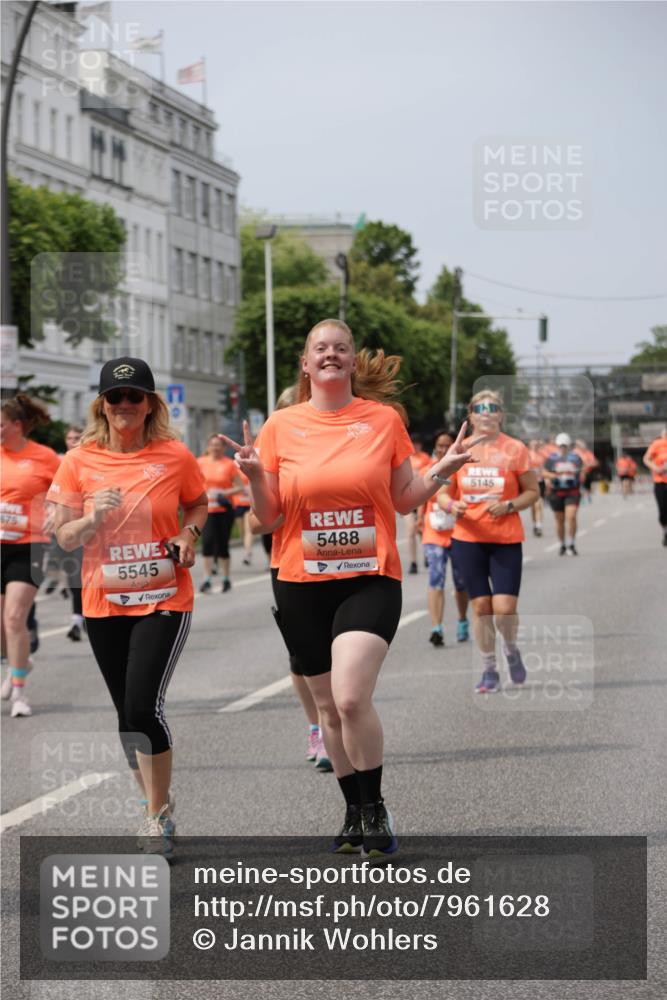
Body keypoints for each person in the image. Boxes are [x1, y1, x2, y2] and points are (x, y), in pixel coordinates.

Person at [221, 319, 474, 859]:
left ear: (353, 362)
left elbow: (405, 498)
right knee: (327, 712)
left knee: (351, 696)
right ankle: (352, 808)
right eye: (321, 348)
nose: (331, 354)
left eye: (341, 348)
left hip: (368, 576)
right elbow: (267, 519)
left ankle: (375, 804)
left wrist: (442, 473)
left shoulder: (382, 420)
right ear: (306, 364)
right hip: (300, 581)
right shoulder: (279, 427)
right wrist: (254, 477)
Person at [48, 357, 207, 857]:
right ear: (102, 405)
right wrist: (94, 514)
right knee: (125, 713)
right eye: (114, 398)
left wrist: (189, 533)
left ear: (150, 403)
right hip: (103, 599)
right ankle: (153, 801)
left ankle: (155, 817)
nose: (124, 406)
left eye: (133, 397)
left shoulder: (175, 455)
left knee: (143, 705)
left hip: (164, 594)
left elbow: (198, 503)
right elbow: (63, 537)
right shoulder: (78, 461)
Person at [249, 384, 332, 771]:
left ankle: (340, 721)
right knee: (301, 658)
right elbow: (254, 521)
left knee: (344, 652)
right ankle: (317, 728)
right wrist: (282, 513)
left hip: (345, 563)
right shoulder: (274, 452)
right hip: (292, 566)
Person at [448, 390, 539, 694]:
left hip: (505, 538)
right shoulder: (459, 449)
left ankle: (511, 649)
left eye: (493, 408)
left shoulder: (515, 449)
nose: (486, 413)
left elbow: (532, 491)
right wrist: (451, 505)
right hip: (468, 538)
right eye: (480, 408)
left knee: (504, 608)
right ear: (470, 415)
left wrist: (510, 505)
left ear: (501, 414)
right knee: (482, 608)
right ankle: (489, 669)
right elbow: (440, 489)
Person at [1, 394, 60, 716]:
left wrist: (56, 510)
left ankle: (19, 695)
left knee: (14, 618)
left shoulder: (45, 457)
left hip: (30, 545)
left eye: (0, 425)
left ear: (17, 425)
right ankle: (17, 662)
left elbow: (68, 490)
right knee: (2, 625)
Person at [417, 428, 469, 646]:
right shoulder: (428, 469)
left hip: (459, 533)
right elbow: (421, 495)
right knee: (435, 580)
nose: (443, 449)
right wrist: (420, 519)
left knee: (460, 583)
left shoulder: (461, 469)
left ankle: (462, 619)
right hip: (434, 534)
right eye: (439, 445)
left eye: (447, 445)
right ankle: (436, 627)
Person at [197, 434, 244, 593]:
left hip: (224, 510)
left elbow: (240, 488)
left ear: (223, 448)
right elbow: (193, 484)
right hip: (207, 510)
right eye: (213, 445)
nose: (215, 448)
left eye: (218, 445)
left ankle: (226, 579)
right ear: (208, 447)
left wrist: (224, 493)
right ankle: (207, 579)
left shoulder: (229, 464)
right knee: (207, 543)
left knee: (223, 545)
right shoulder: (200, 462)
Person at [543, 433, 584, 555]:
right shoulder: (551, 459)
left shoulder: (576, 458)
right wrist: (555, 475)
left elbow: (582, 472)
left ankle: (571, 543)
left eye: (565, 445)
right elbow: (544, 473)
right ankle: (562, 544)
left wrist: (578, 475)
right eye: (560, 445)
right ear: (557, 445)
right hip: (556, 492)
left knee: (571, 517)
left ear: (569, 445)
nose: (563, 448)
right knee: (559, 520)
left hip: (572, 491)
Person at [403, 435, 431, 574]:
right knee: (410, 531)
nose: (416, 446)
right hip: (407, 499)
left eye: (418, 444)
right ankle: (413, 562)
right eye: (414, 443)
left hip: (421, 498)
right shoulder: (404, 457)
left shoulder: (425, 458)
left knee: (421, 529)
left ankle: (427, 553)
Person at [642, 427, 667, 546]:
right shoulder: (657, 444)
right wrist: (656, 468)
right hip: (660, 481)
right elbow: (646, 459)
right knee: (663, 510)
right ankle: (665, 531)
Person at [527, 439, 546, 536]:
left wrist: (548, 480)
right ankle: (535, 524)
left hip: (540, 482)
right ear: (530, 445)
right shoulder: (526, 455)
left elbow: (545, 468)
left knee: (538, 504)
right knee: (533, 507)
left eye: (536, 444)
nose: (534, 446)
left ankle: (539, 526)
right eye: (533, 444)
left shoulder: (542, 455)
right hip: (530, 483)